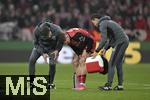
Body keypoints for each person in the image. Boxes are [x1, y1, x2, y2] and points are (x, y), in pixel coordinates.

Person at [91, 13, 129, 91]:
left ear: (96, 19)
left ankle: (108, 85)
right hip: (123, 41)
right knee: (118, 64)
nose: (94, 25)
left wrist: (96, 51)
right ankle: (120, 86)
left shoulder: (102, 24)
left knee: (111, 64)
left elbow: (104, 39)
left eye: (93, 22)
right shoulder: (108, 22)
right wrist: (105, 49)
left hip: (120, 42)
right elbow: (110, 39)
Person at [28, 19, 65, 89]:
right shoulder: (36, 30)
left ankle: (50, 84)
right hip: (40, 47)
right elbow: (35, 44)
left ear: (50, 30)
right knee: (31, 60)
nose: (47, 38)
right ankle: (31, 83)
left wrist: (57, 50)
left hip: (52, 49)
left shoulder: (58, 31)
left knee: (52, 64)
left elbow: (61, 42)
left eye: (48, 36)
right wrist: (42, 53)